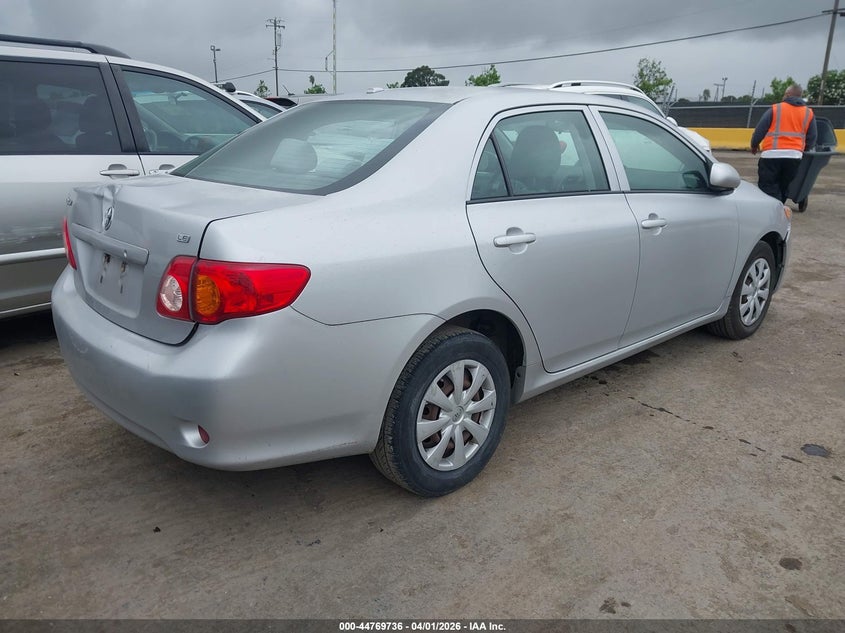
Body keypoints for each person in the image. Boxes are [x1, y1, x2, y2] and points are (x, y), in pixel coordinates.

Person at [750, 83, 817, 203]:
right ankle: (780, 207)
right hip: (794, 157)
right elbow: (812, 137)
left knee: (768, 185)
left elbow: (760, 129)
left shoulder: (776, 109)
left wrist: (754, 144)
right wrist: (802, 149)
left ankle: (774, 210)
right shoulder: (808, 113)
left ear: (787, 94)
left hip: (771, 155)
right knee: (783, 186)